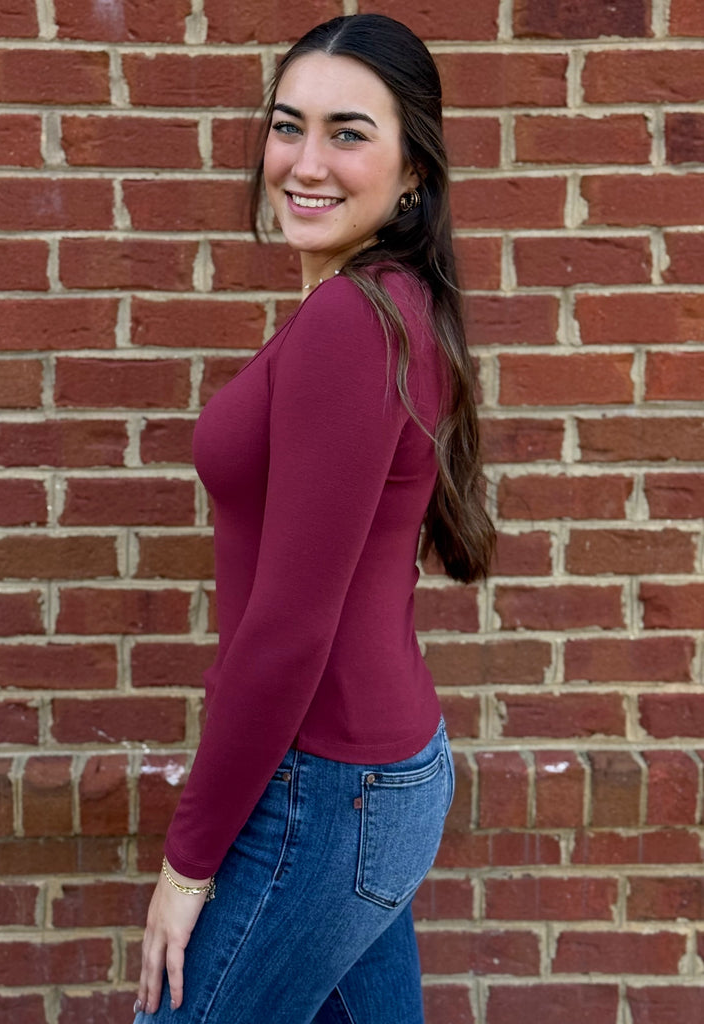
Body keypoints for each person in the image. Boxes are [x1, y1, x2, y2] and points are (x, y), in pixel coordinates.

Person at [133, 14, 495, 1023]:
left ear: (413, 171)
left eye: (347, 134)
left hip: (324, 793)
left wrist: (187, 864)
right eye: (289, 126)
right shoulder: (386, 302)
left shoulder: (351, 322)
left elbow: (289, 629)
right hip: (366, 780)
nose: (304, 163)